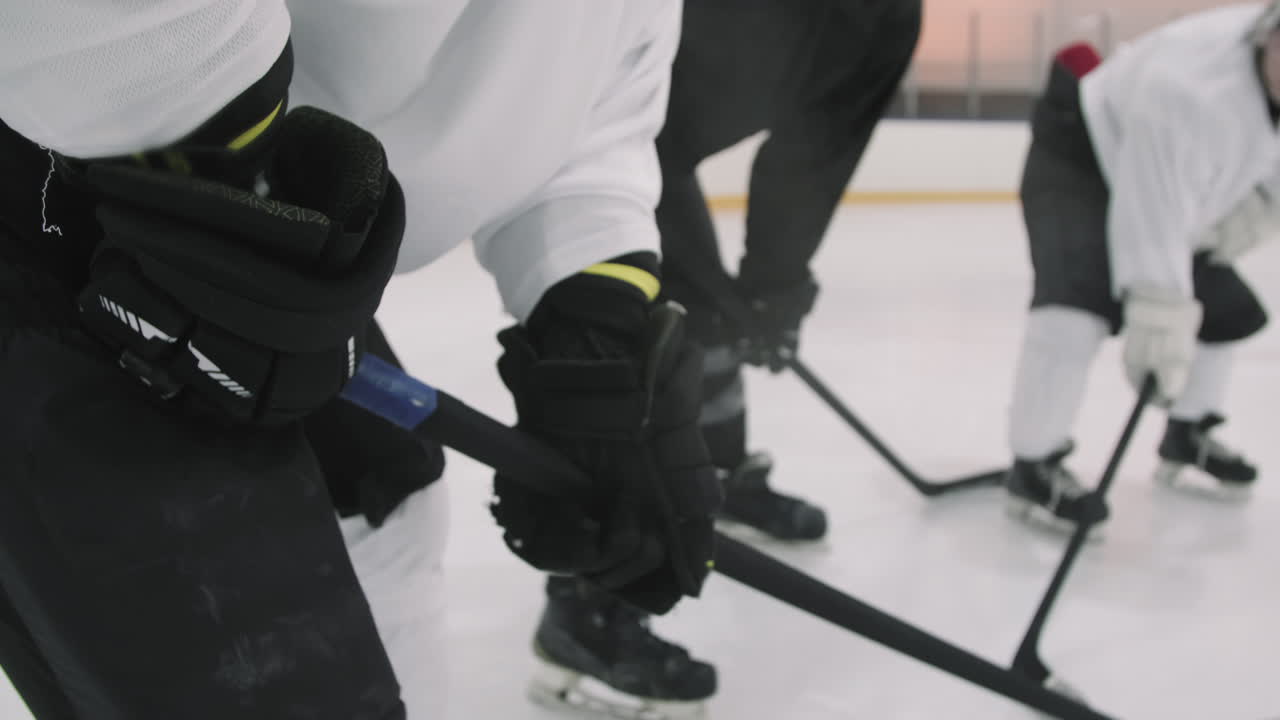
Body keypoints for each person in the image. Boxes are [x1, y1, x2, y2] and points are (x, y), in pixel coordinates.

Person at [0, 1, 721, 719]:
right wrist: (208, 148)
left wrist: (592, 319)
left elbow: (595, 77)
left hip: (261, 208)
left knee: (384, 518)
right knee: (263, 658)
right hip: (69, 156)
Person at [525, 2, 923, 718]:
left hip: (653, 132)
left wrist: (775, 282)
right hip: (580, 113)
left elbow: (819, 142)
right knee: (616, 333)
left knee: (705, 323)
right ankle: (584, 612)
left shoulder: (889, 18)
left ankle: (718, 472)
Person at [1005, 1, 1280, 532]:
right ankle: (1033, 464)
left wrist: (1254, 215)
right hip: (1081, 153)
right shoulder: (1192, 85)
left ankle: (1187, 433)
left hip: (1173, 181)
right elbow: (1150, 216)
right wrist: (1158, 314)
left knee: (1227, 310)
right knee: (1075, 310)